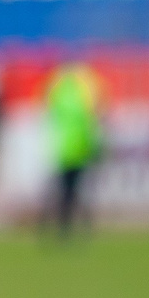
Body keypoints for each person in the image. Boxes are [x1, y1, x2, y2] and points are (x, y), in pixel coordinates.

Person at [41, 60, 102, 238]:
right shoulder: (83, 95)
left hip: (65, 151)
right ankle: (77, 227)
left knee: (65, 192)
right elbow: (92, 121)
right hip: (79, 150)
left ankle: (63, 227)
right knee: (75, 192)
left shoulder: (59, 94)